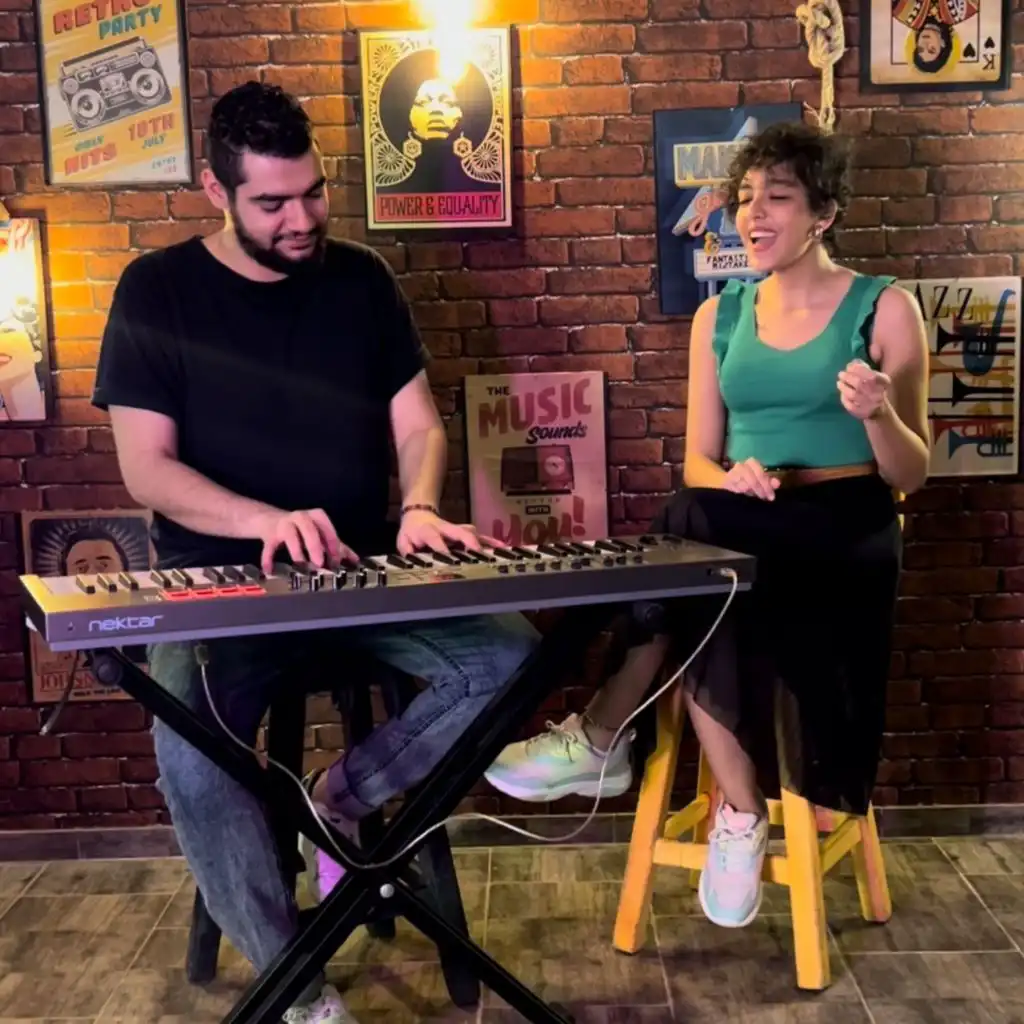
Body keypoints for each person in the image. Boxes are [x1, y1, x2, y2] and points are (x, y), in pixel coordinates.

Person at [91, 81, 539, 1024]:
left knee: (510, 655)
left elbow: (419, 425)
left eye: (313, 193)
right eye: (271, 203)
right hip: (215, 584)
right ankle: (295, 982)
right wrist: (263, 521)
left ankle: (338, 801)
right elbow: (146, 468)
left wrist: (420, 505)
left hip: (364, 569)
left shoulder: (362, 280)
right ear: (216, 191)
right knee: (191, 754)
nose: (300, 220)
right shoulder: (156, 290)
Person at [485, 121, 930, 930]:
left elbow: (910, 474)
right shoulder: (719, 317)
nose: (752, 215)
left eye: (777, 198)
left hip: (844, 533)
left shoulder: (885, 308)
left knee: (690, 541)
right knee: (702, 559)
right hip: (747, 520)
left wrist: (877, 415)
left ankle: (604, 737)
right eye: (744, 198)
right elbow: (697, 459)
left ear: (824, 213)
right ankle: (740, 812)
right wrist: (733, 478)